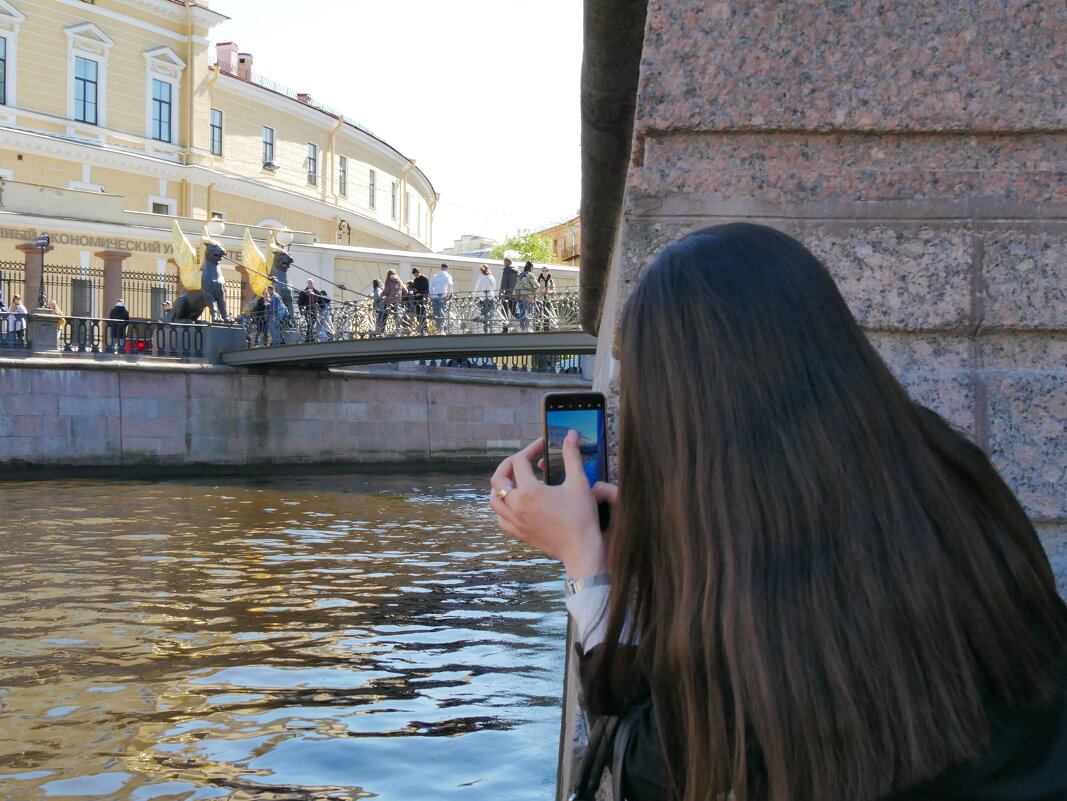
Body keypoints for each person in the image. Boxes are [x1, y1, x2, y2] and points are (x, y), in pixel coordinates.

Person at [489, 223, 1067, 801]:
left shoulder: (755, 592)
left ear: (675, 413)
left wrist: (587, 566)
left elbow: (652, 767)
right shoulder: (943, 463)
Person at [512, 261, 538, 331]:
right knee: (530, 312)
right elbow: (537, 285)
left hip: (520, 296)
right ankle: (527, 327)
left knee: (522, 311)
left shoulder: (520, 274)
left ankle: (522, 327)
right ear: (531, 268)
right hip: (528, 296)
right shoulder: (530, 275)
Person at [429, 263, 453, 334]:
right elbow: (450, 284)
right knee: (442, 312)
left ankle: (437, 329)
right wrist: (448, 294)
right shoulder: (448, 276)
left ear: (441, 268)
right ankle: (441, 329)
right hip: (443, 296)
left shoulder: (435, 276)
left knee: (436, 313)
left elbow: (430, 287)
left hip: (435, 296)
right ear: (447, 269)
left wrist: (432, 295)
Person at [381, 269, 407, 333]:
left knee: (385, 316)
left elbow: (386, 290)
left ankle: (382, 330)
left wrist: (381, 294)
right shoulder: (399, 281)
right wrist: (401, 296)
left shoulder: (388, 281)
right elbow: (406, 291)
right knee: (397, 316)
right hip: (398, 302)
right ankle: (397, 330)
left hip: (389, 302)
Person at [473, 264, 497, 333]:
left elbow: (477, 288)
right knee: (489, 313)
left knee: (484, 313)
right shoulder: (492, 277)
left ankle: (485, 326)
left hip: (483, 298)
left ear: (481, 270)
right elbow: (494, 288)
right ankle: (489, 326)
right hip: (491, 297)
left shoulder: (481, 278)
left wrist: (474, 296)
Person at [499, 257, 518, 332]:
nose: (503, 265)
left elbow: (504, 283)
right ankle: (522, 319)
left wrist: (501, 295)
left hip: (506, 295)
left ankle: (505, 329)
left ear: (506, 263)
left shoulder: (506, 270)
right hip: (514, 295)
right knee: (513, 311)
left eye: (504, 263)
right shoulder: (517, 271)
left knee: (504, 311)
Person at [409, 267, 430, 333]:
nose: (416, 275)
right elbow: (415, 288)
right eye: (415, 274)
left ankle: (425, 329)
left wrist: (420, 293)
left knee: (423, 314)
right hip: (417, 299)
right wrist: (415, 291)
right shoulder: (415, 280)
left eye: (416, 273)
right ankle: (421, 329)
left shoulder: (425, 279)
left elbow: (427, 290)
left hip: (423, 299)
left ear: (419, 272)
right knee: (418, 315)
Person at [536, 264, 555, 331]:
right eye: (543, 270)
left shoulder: (551, 280)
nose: (545, 272)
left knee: (547, 316)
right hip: (539, 299)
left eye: (546, 270)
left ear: (548, 271)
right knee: (539, 315)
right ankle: (537, 330)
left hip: (548, 300)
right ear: (541, 271)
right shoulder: (538, 279)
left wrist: (550, 291)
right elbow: (535, 290)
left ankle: (546, 331)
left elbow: (554, 290)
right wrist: (542, 290)